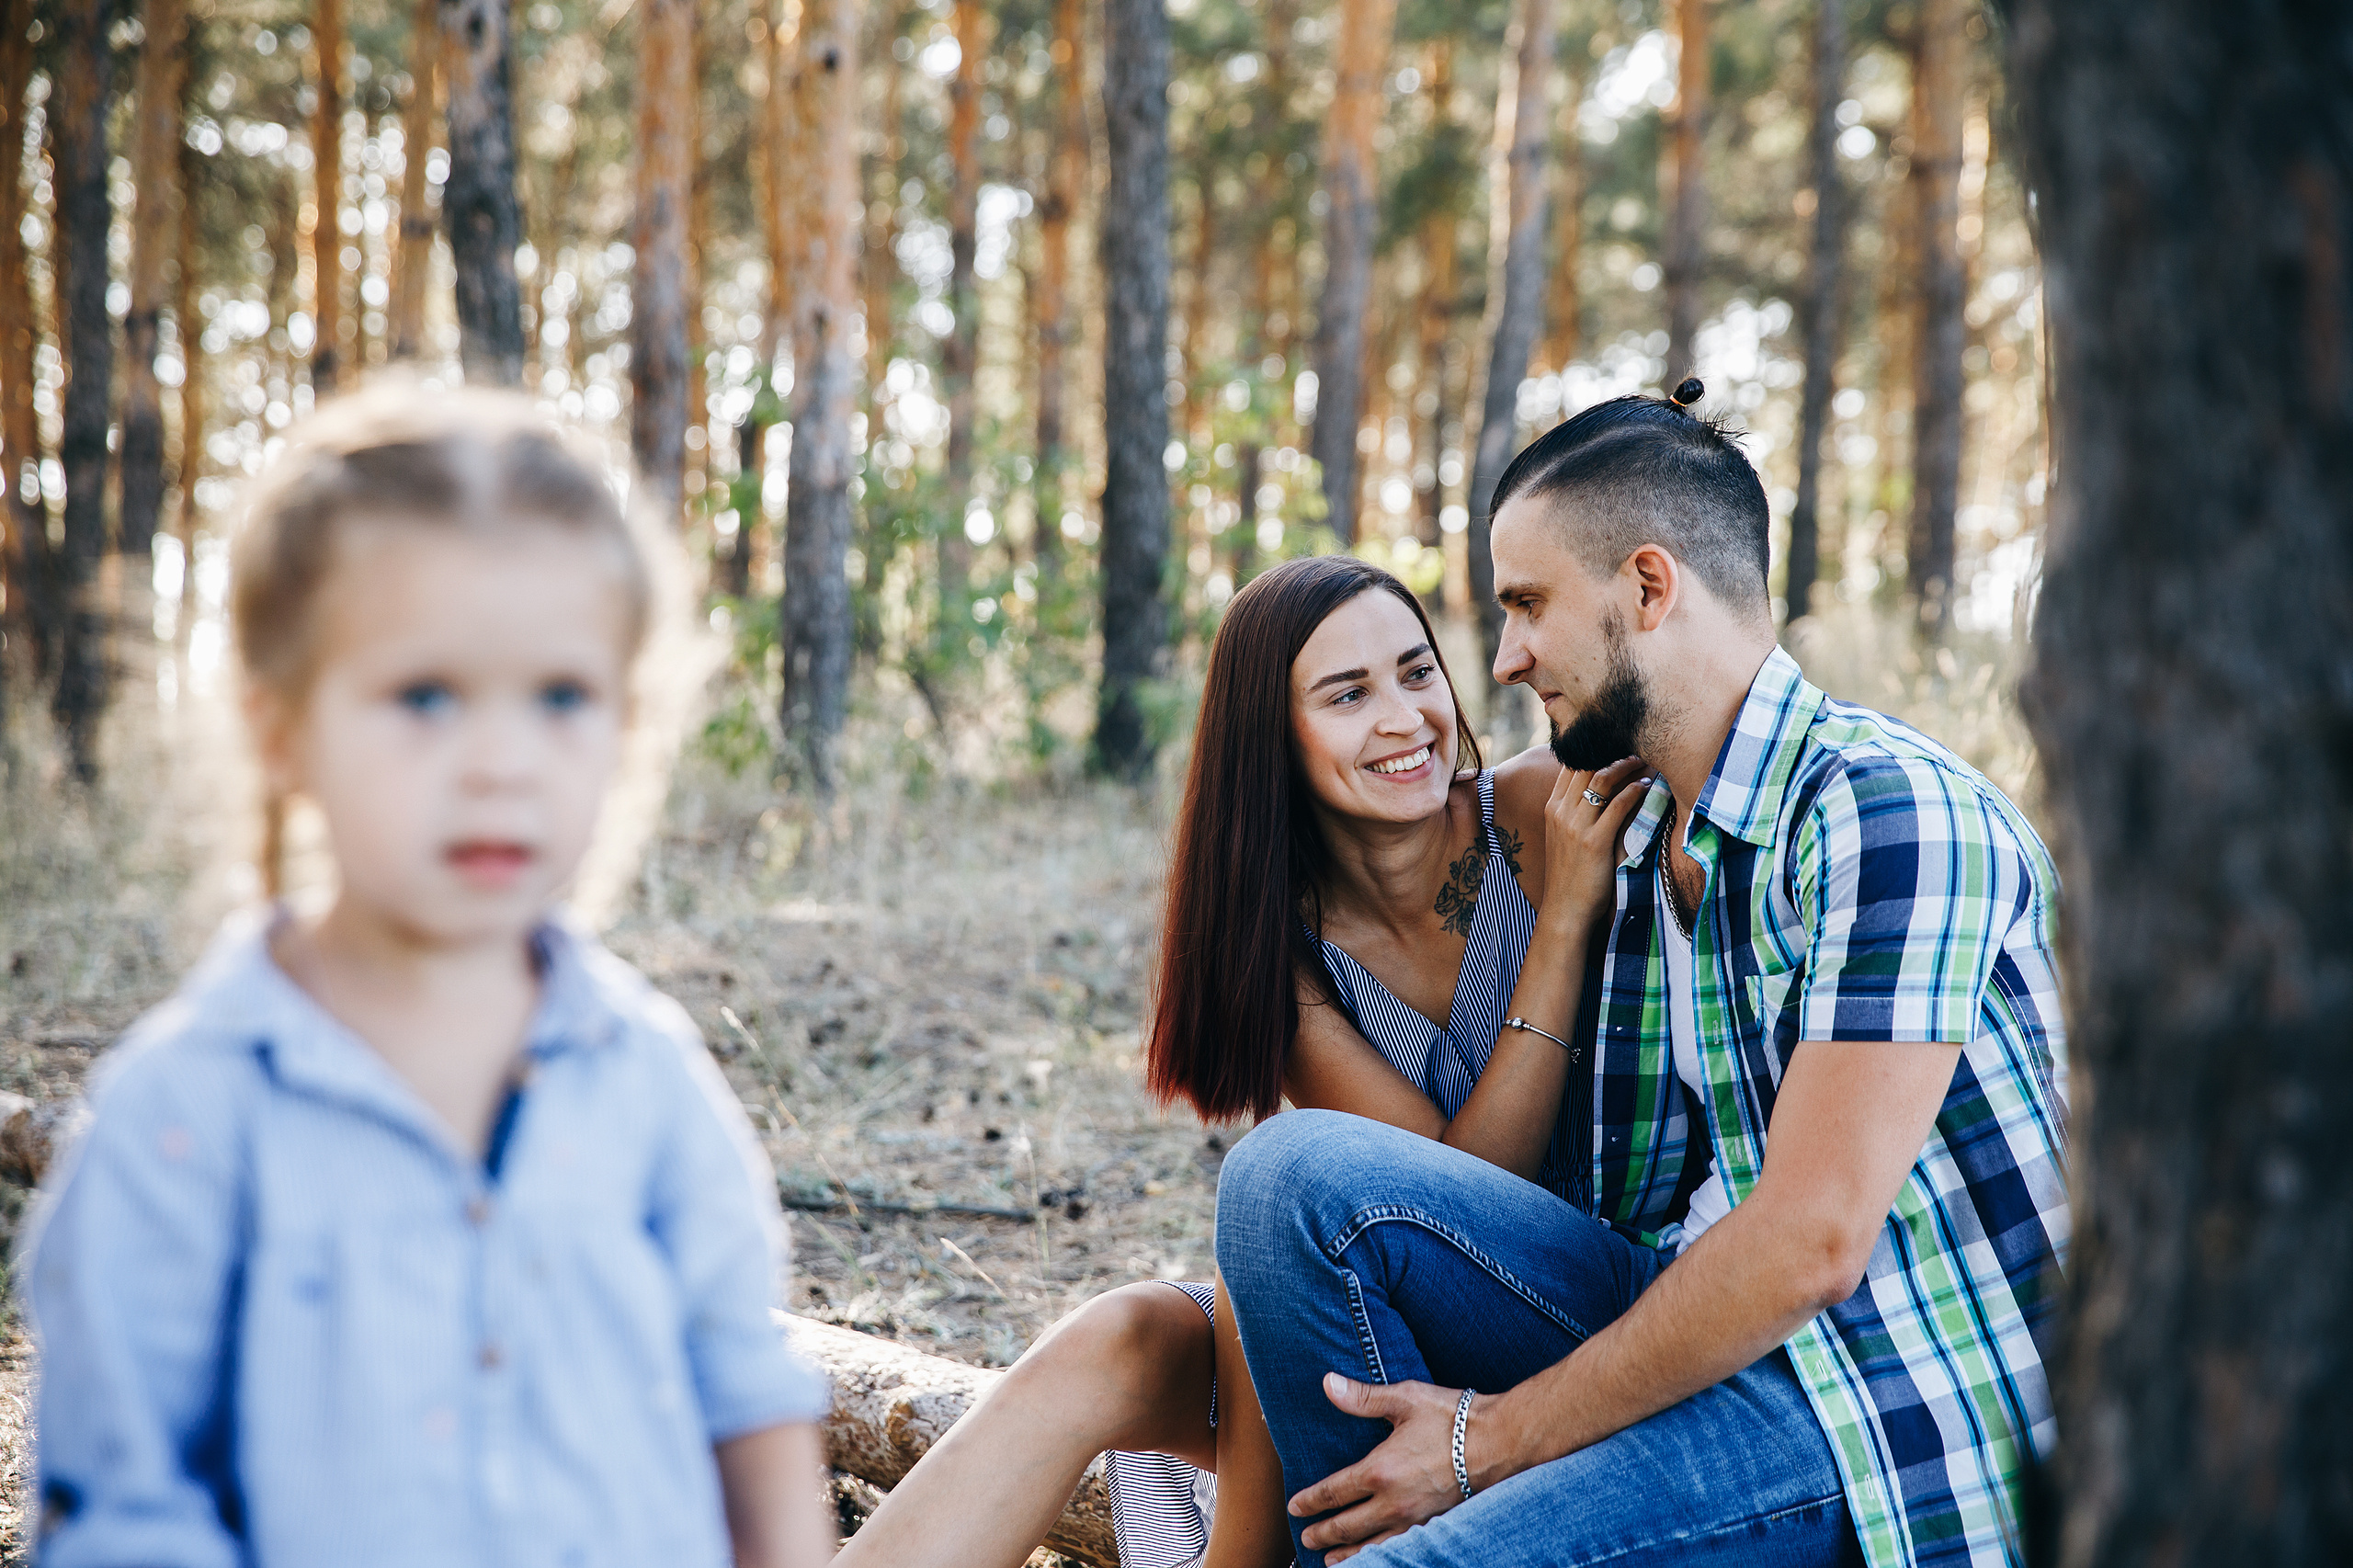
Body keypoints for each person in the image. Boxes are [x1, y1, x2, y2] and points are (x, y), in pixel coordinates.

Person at [1215, 382, 2069, 1568]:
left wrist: (1488, 1442)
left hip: (1870, 1397)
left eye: (1527, 604)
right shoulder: (1627, 817)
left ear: (1648, 588)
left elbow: (1812, 1243)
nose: (1503, 658)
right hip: (1690, 1324)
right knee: (1287, 1175)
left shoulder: (1887, 813)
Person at [25, 384, 837, 1568]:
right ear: (280, 729)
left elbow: (746, 1400)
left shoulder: (646, 1073)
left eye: (561, 697)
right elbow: (123, 1508)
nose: (502, 763)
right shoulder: (185, 1114)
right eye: (424, 697)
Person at [835, 554, 1651, 1568]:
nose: (1404, 718)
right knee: (1119, 1334)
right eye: (1347, 694)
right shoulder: (1289, 951)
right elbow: (1426, 1195)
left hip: (1592, 1319)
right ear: (1274, 736)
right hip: (1394, 1321)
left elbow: (1444, 1213)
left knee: (1280, 1193)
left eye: (1416, 671)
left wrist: (1568, 906)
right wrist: (1563, 927)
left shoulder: (1546, 813)